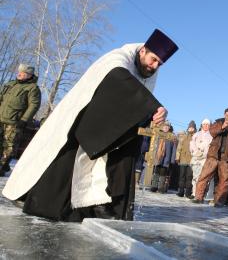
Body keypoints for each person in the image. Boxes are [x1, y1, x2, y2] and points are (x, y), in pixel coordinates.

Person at [2, 29, 178, 222]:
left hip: (112, 125)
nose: (154, 66)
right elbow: (118, 80)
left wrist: (151, 115)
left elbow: (138, 102)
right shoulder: (118, 58)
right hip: (84, 115)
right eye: (153, 59)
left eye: (159, 64)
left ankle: (106, 206)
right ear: (143, 50)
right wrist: (151, 105)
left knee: (125, 150)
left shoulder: (150, 75)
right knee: (66, 157)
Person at [192, 108, 228, 207]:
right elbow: (212, 132)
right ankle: (198, 197)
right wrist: (223, 126)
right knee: (204, 176)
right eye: (227, 115)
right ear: (224, 114)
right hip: (213, 155)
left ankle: (219, 201)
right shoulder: (218, 122)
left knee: (224, 181)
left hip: (227, 158)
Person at [0, 64, 41, 176]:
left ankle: (2, 167)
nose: (19, 73)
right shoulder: (10, 84)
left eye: (23, 72)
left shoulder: (32, 88)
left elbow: (34, 105)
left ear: (29, 75)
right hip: (1, 118)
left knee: (9, 146)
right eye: (19, 71)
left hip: (14, 122)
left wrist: (24, 120)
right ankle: (4, 165)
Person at [151, 121, 176, 193]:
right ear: (162, 127)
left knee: (163, 173)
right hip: (158, 156)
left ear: (169, 128)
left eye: (167, 126)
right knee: (156, 172)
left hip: (166, 158)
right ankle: (154, 187)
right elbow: (154, 145)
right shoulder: (158, 134)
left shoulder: (172, 136)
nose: (166, 127)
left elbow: (174, 149)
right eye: (165, 126)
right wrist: (153, 155)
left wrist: (172, 160)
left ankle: (161, 188)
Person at [189, 119, 212, 197]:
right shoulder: (196, 134)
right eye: (204, 124)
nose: (206, 126)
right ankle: (194, 193)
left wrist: (205, 154)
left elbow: (211, 148)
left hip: (206, 159)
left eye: (207, 124)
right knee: (196, 176)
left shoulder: (211, 136)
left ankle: (202, 194)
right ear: (202, 125)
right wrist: (196, 152)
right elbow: (192, 144)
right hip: (196, 159)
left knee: (204, 177)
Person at [175, 120, 196, 198]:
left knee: (189, 177)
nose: (191, 129)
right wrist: (177, 157)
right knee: (182, 176)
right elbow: (179, 148)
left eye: (192, 128)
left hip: (191, 160)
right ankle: (180, 191)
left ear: (194, 128)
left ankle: (188, 192)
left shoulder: (196, 137)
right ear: (188, 128)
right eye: (190, 127)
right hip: (183, 159)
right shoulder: (183, 137)